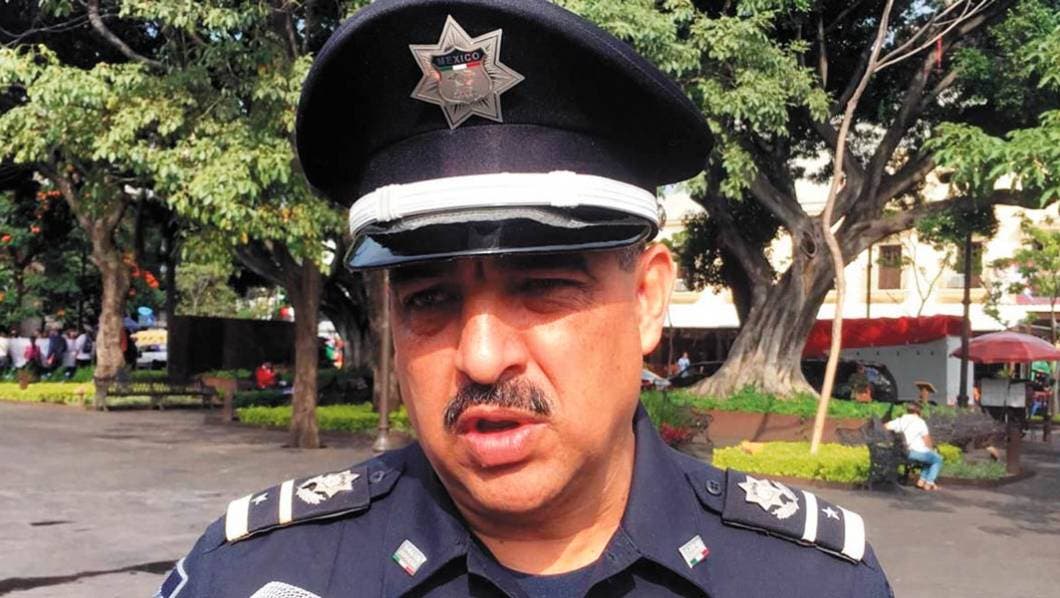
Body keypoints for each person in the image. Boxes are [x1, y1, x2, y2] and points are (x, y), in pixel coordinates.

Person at [159, 2, 892, 596]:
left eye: (542, 287)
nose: (481, 358)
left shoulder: (807, 580)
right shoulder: (261, 576)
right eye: (430, 299)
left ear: (647, 300)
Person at [885, 402, 943, 491]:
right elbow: (927, 441)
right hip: (915, 453)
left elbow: (885, 426)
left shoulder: (900, 420)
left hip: (902, 452)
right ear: (918, 411)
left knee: (930, 458)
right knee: (937, 459)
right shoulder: (920, 422)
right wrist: (932, 450)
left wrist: (891, 437)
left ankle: (921, 481)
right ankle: (929, 483)